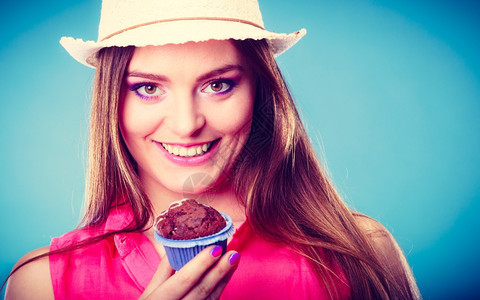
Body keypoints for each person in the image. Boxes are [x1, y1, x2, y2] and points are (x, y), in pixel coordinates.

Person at [4, 0, 421, 299]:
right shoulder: (44, 284)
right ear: (113, 100)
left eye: (218, 84)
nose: (187, 125)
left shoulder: (359, 254)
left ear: (261, 92)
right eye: (148, 88)